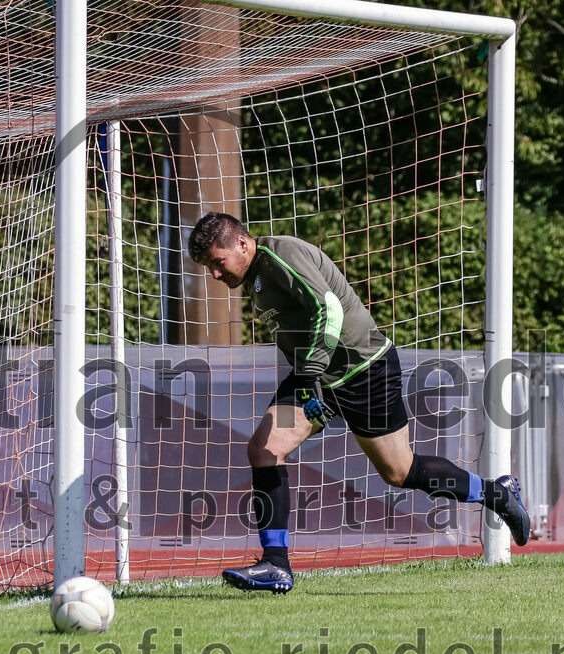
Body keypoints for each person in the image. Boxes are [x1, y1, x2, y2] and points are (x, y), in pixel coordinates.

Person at [187, 212, 530, 594]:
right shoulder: (256, 278)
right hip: (318, 378)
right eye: (209, 269)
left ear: (241, 243)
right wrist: (310, 379)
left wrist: (309, 375)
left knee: (400, 472)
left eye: (217, 263)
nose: (215, 275)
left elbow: (329, 309)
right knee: (265, 449)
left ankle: (497, 493)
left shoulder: (281, 254)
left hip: (364, 369)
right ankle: (276, 564)